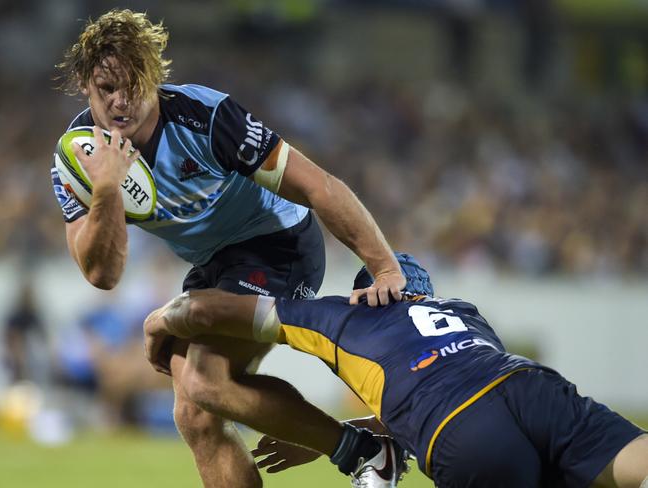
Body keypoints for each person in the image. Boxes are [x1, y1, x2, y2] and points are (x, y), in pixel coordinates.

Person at [51, 8, 405, 488]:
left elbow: (318, 186)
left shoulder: (207, 118)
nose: (120, 102)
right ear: (84, 88)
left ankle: (363, 450)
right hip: (214, 265)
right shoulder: (76, 160)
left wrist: (384, 267)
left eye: (132, 84)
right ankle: (361, 445)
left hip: (279, 245)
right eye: (105, 90)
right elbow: (102, 275)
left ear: (154, 77)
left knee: (202, 380)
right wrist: (108, 191)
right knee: (194, 414)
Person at [143, 252, 648, 488]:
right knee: (634, 463)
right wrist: (349, 429)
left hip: (459, 428)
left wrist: (160, 319)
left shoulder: (341, 314)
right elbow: (455, 380)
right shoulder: (461, 310)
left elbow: (210, 309)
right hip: (531, 386)